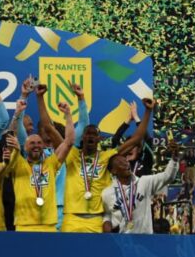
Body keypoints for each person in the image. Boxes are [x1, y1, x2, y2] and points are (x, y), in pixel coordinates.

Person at [60, 87, 154, 233]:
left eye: (94, 134)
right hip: (71, 219)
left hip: (97, 220)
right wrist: (68, 112)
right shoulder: (71, 154)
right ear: (82, 137)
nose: (91, 136)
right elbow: (50, 129)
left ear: (99, 139)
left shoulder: (107, 156)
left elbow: (137, 138)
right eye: (88, 133)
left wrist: (147, 111)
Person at [8, 101, 74, 232]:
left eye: (39, 143)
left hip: (49, 226)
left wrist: (68, 115)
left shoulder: (51, 163)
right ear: (25, 148)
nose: (36, 145)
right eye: (32, 143)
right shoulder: (18, 164)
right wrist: (16, 114)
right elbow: (10, 138)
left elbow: (69, 142)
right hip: (24, 226)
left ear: (43, 146)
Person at [102, 140, 181, 234]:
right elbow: (107, 214)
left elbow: (168, 176)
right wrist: (106, 222)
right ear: (113, 171)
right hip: (122, 239)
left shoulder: (144, 182)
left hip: (144, 238)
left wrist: (175, 159)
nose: (126, 163)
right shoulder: (107, 193)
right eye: (121, 163)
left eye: (125, 161)